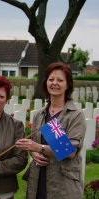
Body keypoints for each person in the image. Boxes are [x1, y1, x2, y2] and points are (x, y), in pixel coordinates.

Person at [15, 62, 86, 199]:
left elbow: (70, 151)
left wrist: (38, 147)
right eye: (51, 79)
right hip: (38, 181)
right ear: (45, 82)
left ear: (68, 85)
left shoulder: (75, 115)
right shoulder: (39, 114)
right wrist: (33, 153)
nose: (55, 83)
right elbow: (34, 144)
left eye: (60, 80)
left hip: (62, 185)